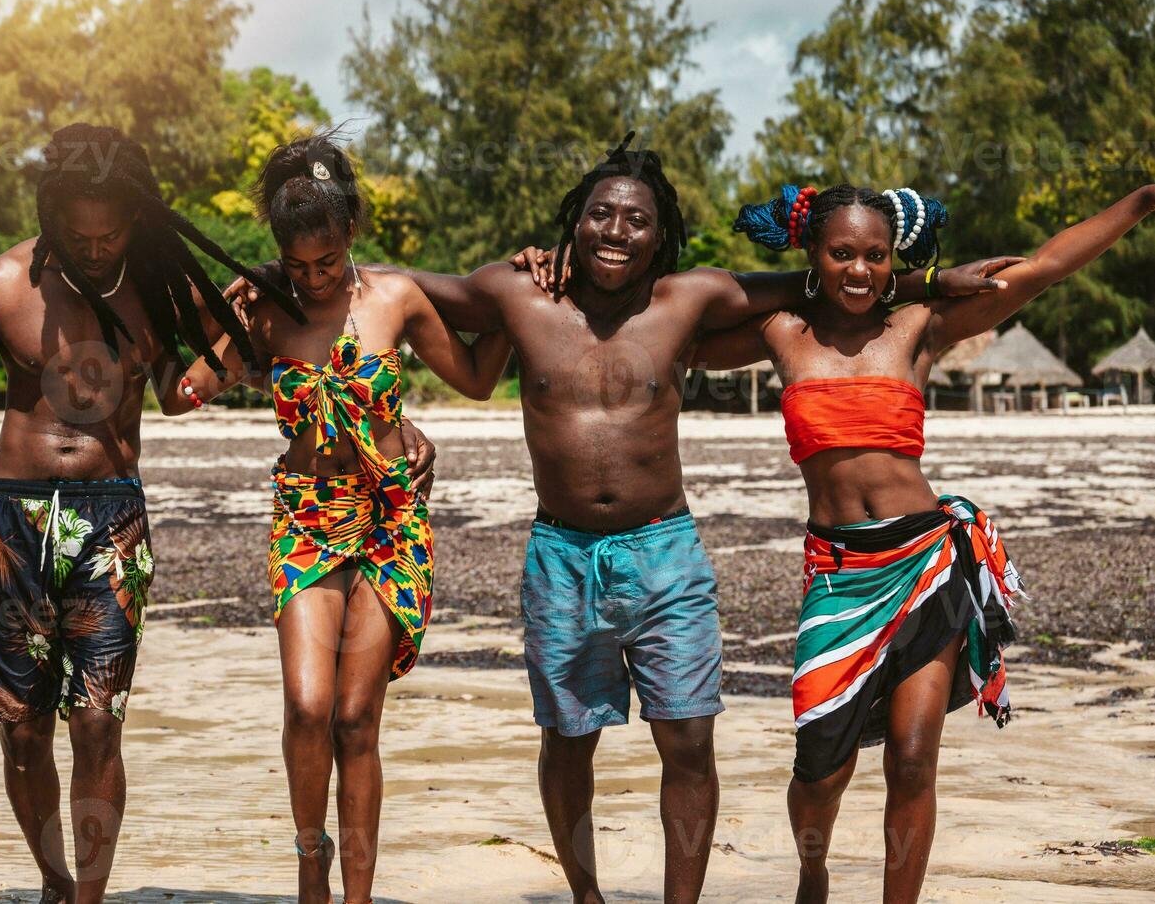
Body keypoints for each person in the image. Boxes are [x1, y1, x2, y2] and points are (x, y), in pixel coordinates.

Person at [230, 133, 1015, 903]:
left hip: (663, 550)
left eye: (636, 220)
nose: (616, 231)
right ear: (574, 222)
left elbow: (819, 281)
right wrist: (277, 271)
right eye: (601, 214)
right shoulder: (516, 295)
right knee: (567, 742)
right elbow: (390, 281)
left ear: (659, 235)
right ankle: (585, 895)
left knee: (687, 740)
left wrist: (926, 283)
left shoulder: (689, 298)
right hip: (559, 553)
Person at [0, 124, 435, 904]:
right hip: (9, 523)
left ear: (136, 220)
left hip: (111, 518)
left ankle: (87, 898)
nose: (95, 247)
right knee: (23, 734)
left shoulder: (164, 286)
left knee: (96, 724)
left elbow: (287, 341)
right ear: (51, 215)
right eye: (78, 233)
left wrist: (390, 427)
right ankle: (55, 881)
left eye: (110, 232)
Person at [699, 181, 1155, 903]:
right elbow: (680, 313)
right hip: (839, 575)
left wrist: (1143, 200)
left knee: (912, 760)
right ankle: (811, 874)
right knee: (820, 768)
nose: (859, 271)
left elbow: (1045, 266)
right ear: (812, 256)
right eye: (841, 254)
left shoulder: (916, 329)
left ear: (893, 260)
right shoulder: (780, 332)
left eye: (877, 257)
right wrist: (926, 275)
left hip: (925, 563)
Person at [172, 131, 510, 904]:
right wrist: (215, 313)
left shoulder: (395, 299)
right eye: (297, 266)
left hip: (390, 519)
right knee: (306, 704)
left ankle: (355, 896)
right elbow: (180, 392)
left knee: (355, 718)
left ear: (350, 232)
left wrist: (520, 295)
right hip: (306, 516)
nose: (314, 279)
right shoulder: (264, 312)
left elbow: (478, 377)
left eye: (325, 264)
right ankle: (308, 863)